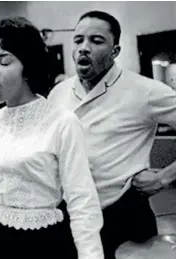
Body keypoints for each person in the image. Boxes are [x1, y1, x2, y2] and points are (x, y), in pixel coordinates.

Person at [0, 17, 104, 259]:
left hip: (41, 241)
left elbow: (81, 201)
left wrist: (91, 255)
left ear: (28, 67)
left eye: (4, 61)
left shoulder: (62, 122)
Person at [48, 10, 176, 259]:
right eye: (78, 40)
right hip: (67, 213)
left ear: (115, 51)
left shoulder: (145, 91)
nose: (84, 48)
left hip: (122, 214)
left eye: (96, 41)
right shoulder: (59, 92)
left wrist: (164, 177)